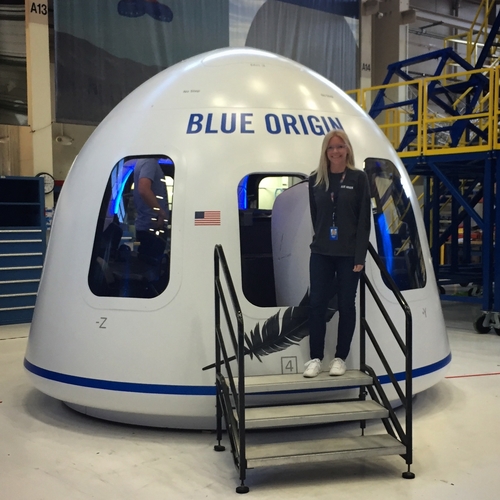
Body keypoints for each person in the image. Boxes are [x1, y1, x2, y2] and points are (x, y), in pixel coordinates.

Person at [303, 130, 371, 378]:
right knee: (317, 304)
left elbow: (364, 220)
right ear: (325, 152)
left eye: (339, 147)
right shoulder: (315, 180)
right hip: (321, 251)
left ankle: (340, 357)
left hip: (348, 254)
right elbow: (316, 216)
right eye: (330, 148)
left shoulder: (359, 178)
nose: (335, 152)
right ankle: (315, 358)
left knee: (346, 305)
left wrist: (359, 257)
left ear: (347, 149)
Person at [133, 157, 169, 265]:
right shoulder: (149, 161)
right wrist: (161, 213)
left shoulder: (145, 162)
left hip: (150, 227)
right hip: (152, 227)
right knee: (151, 268)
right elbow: (144, 189)